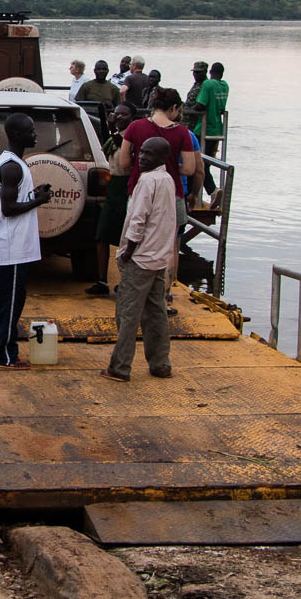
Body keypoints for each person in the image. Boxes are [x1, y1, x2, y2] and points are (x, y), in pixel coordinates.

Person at [101, 136, 176, 382]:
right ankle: (160, 363)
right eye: (140, 152)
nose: (141, 157)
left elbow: (138, 220)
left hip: (140, 258)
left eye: (148, 154)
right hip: (158, 258)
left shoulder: (147, 181)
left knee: (127, 314)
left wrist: (127, 252)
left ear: (161, 158)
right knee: (156, 312)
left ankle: (120, 367)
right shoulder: (167, 180)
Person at [0, 113, 53, 368]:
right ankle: (4, 355)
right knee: (10, 304)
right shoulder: (11, 167)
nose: (35, 134)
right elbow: (9, 208)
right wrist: (39, 201)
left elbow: (14, 199)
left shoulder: (12, 163)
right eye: (30, 130)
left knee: (1, 302)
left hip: (9, 246)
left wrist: (33, 194)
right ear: (16, 135)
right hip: (12, 248)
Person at [119, 88, 196, 291]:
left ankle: (136, 288)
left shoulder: (135, 127)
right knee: (170, 247)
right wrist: (170, 165)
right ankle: (165, 293)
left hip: (139, 190)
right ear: (173, 108)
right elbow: (189, 168)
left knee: (136, 240)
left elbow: (124, 162)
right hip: (172, 195)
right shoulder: (182, 132)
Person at [86, 103, 134, 296]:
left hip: (126, 187)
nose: (120, 116)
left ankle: (125, 281)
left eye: (124, 114)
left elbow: (125, 154)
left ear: (132, 116)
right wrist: (108, 122)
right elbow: (106, 142)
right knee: (102, 235)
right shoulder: (113, 137)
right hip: (112, 186)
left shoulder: (131, 137)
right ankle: (102, 281)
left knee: (126, 238)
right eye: (117, 113)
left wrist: (113, 127)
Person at [193, 62, 229, 198]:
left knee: (198, 163)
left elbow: (200, 105)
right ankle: (212, 192)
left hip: (203, 129)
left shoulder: (207, 85)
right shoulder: (225, 85)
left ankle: (212, 191)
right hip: (217, 129)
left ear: (210, 73)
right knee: (206, 163)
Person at [182, 61, 208, 132]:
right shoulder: (196, 84)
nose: (195, 74)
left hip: (197, 123)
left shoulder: (205, 85)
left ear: (205, 72)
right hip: (188, 121)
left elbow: (201, 104)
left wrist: (190, 109)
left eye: (198, 72)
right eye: (194, 72)